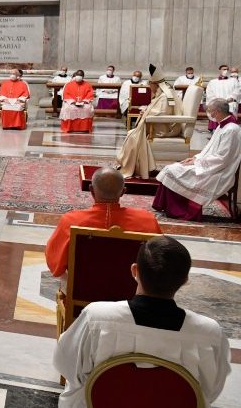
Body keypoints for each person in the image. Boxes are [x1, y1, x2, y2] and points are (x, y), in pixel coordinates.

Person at [53, 236, 231, 407]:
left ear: (134, 271)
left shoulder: (97, 318)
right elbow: (209, 391)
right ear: (185, 280)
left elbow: (65, 363)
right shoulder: (209, 334)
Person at [45, 167, 161, 277]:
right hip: (132, 294)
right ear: (123, 192)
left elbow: (55, 265)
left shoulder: (71, 221)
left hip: (83, 291)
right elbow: (160, 262)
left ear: (91, 190)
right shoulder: (147, 220)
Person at [153, 99, 241, 221]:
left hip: (219, 171)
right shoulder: (223, 126)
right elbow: (209, 149)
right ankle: (168, 206)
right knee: (172, 168)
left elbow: (223, 157)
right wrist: (195, 158)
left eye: (210, 111)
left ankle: (181, 210)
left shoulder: (231, 129)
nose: (209, 114)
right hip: (209, 165)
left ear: (218, 111)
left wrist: (198, 162)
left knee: (172, 171)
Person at [116, 65, 187, 178]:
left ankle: (134, 167)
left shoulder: (165, 96)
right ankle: (134, 166)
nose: (149, 87)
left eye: (150, 84)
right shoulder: (165, 92)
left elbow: (162, 112)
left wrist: (145, 113)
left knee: (133, 135)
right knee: (132, 134)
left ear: (155, 84)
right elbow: (158, 109)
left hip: (165, 128)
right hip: (163, 124)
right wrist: (147, 110)